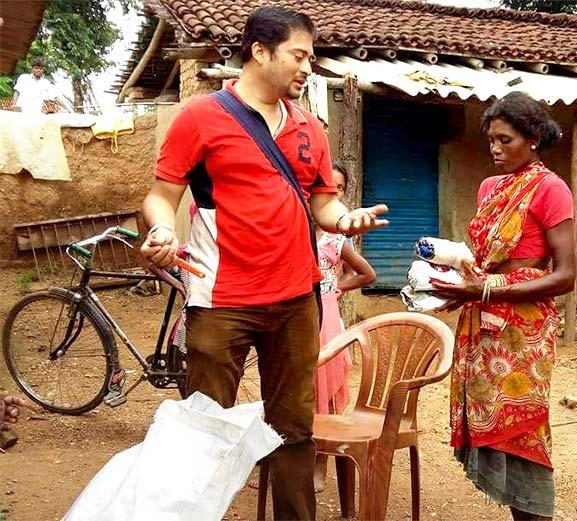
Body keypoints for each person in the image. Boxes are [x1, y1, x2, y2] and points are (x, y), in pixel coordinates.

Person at [139, 7, 387, 520]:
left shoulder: (310, 130)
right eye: (299, 55)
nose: (307, 68)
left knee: (294, 429)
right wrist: (163, 229)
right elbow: (161, 196)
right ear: (259, 51)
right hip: (221, 300)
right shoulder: (202, 116)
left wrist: (346, 221)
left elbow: (323, 203)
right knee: (204, 428)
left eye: (311, 58)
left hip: (297, 301)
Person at [430, 92, 575, 520]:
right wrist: (457, 283)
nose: (495, 148)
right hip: (484, 325)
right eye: (491, 139)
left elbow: (565, 275)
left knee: (522, 429)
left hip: (522, 333)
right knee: (491, 428)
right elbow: (483, 263)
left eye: (505, 139)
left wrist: (487, 291)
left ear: (532, 139)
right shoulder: (489, 188)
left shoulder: (551, 189)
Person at [313, 163, 376, 492]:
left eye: (338, 188)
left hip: (327, 317)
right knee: (302, 391)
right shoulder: (301, 230)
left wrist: (337, 288)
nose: (332, 192)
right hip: (300, 314)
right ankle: (290, 456)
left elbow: (367, 274)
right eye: (327, 186)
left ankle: (322, 463)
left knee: (329, 393)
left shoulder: (337, 241)